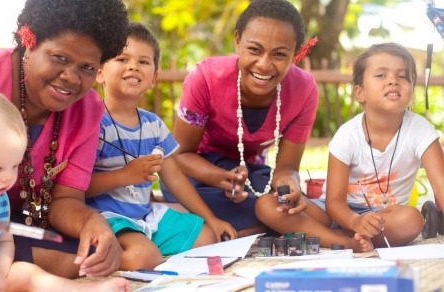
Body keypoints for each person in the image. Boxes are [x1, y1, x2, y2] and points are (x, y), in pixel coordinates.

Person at [0, 0, 129, 278]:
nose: (71, 77)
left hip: (6, 231)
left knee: (104, 257)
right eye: (60, 58)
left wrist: (91, 222)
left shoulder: (89, 108)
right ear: (28, 40)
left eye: (87, 68)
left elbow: (64, 199)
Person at [0, 92, 128, 291]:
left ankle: (80, 289)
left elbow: (5, 242)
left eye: (14, 166)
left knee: (26, 272)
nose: (8, 177)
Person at [86, 22, 237, 271]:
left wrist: (212, 219)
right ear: (100, 72)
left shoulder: (153, 124)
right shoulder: (94, 124)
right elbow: (80, 186)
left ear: (154, 78)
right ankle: (91, 260)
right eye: (122, 59)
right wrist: (125, 176)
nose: (133, 66)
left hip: (145, 216)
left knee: (206, 237)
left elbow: (175, 180)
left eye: (144, 62)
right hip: (108, 219)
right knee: (142, 257)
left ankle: (146, 247)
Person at [161, 0, 317, 236]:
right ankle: (265, 225)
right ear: (237, 41)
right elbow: (180, 155)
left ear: (295, 54)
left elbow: (286, 168)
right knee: (193, 196)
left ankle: (249, 225)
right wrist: (220, 178)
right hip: (196, 172)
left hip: (249, 174)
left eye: (279, 54)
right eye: (255, 49)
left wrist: (290, 185)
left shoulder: (304, 90)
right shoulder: (205, 78)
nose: (264, 64)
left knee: (275, 197)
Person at [323, 42, 444, 247]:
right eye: (381, 75)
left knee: (412, 220)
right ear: (360, 92)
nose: (393, 81)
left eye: (403, 76)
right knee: (269, 206)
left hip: (384, 218)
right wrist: (355, 221)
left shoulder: (420, 130)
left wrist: (367, 222)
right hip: (341, 213)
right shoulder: (347, 135)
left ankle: (340, 240)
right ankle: (347, 240)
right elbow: (333, 201)